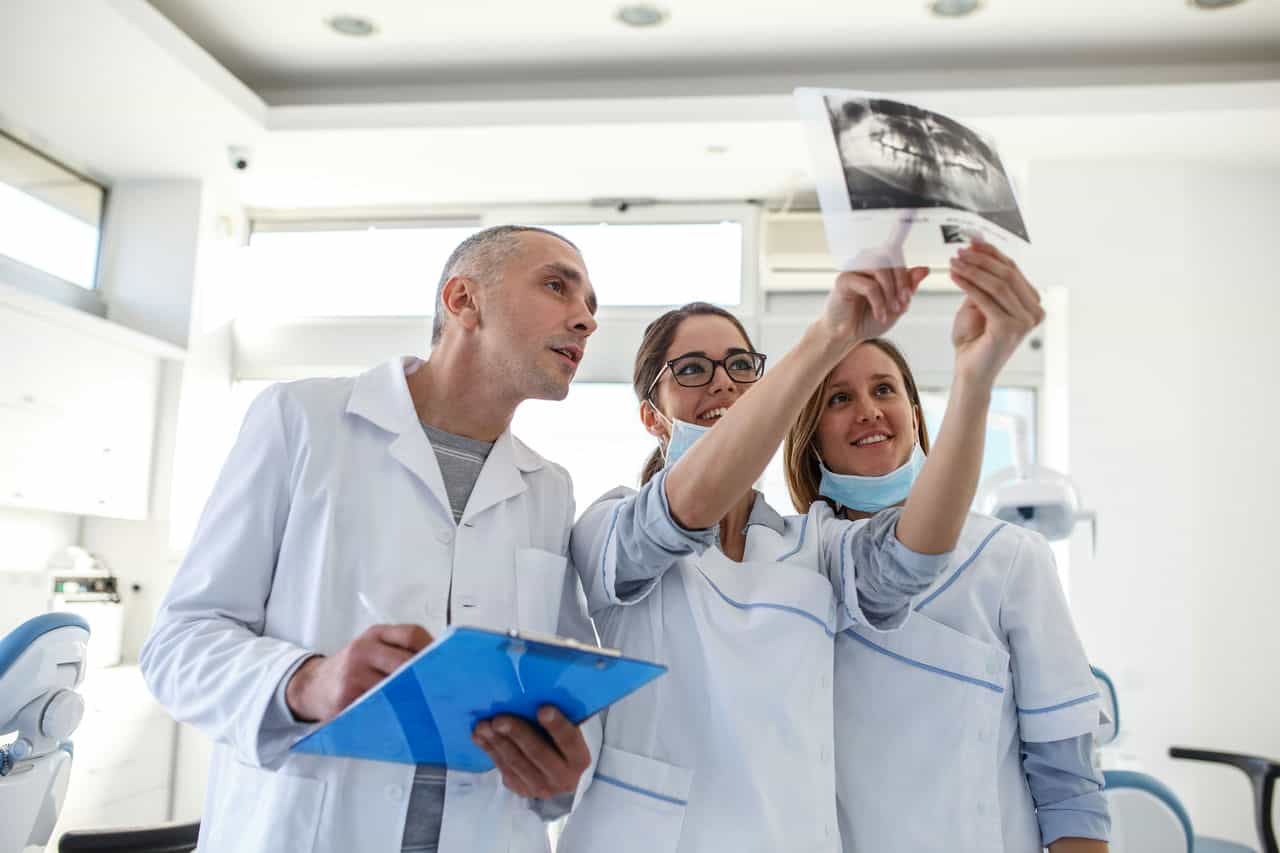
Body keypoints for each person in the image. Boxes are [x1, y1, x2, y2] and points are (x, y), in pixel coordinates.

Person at [140, 225, 603, 853]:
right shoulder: (301, 421)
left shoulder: (549, 488)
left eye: (591, 307)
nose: (585, 322)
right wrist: (307, 681)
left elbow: (556, 688)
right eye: (558, 287)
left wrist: (556, 776)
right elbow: (178, 643)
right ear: (463, 300)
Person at [558, 253, 1023, 853]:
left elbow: (914, 555)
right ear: (652, 417)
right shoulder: (609, 525)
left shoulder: (810, 544)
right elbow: (685, 510)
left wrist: (974, 383)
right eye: (693, 369)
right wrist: (830, 333)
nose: (723, 382)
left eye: (740, 367)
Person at [783, 241, 1109, 853]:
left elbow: (1070, 783)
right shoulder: (792, 562)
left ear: (913, 411)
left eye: (884, 389)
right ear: (808, 433)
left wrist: (974, 379)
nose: (869, 411)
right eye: (838, 398)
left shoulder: (1010, 558)